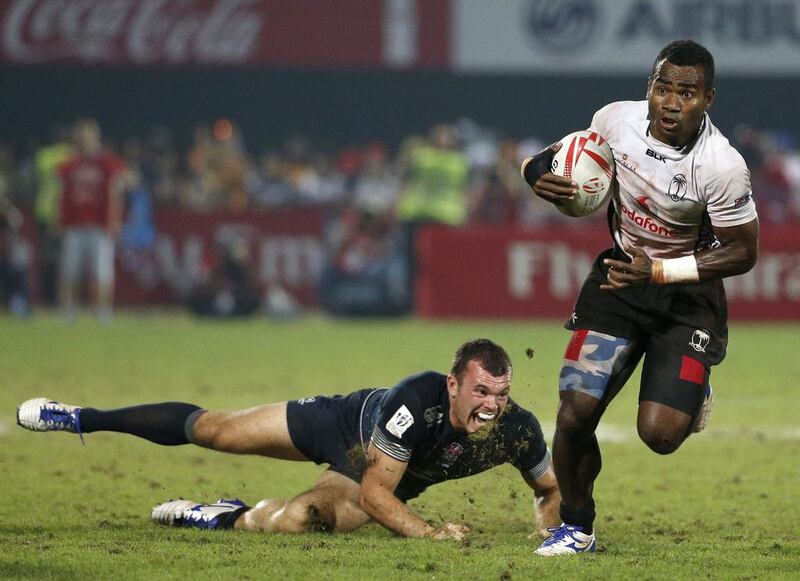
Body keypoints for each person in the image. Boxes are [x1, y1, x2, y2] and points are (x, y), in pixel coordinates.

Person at [521, 40, 759, 555]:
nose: (672, 102)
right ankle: (578, 527)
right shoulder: (613, 120)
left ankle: (692, 390)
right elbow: (544, 159)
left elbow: (743, 253)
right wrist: (537, 177)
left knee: (660, 435)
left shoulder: (721, 165)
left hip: (687, 298)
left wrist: (662, 270)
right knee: (573, 413)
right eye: (663, 87)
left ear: (708, 99)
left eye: (687, 93)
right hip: (620, 282)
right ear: (649, 87)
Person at [17, 339, 560, 540]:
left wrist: (551, 535)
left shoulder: (516, 430)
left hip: (363, 474)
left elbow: (548, 490)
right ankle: (82, 417)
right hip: (345, 425)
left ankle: (221, 515)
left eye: (502, 393)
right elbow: (378, 496)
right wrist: (430, 533)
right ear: (453, 384)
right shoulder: (415, 400)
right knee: (217, 430)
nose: (492, 405)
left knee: (304, 520)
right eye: (482, 390)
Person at [57, 118, 127, 322]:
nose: (83, 139)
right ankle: (68, 310)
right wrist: (60, 220)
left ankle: (103, 310)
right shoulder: (70, 164)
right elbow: (62, 195)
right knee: (70, 270)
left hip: (99, 225)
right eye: (80, 135)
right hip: (74, 224)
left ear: (95, 136)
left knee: (102, 270)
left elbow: (116, 192)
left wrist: (114, 221)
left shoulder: (107, 162)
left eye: (86, 135)